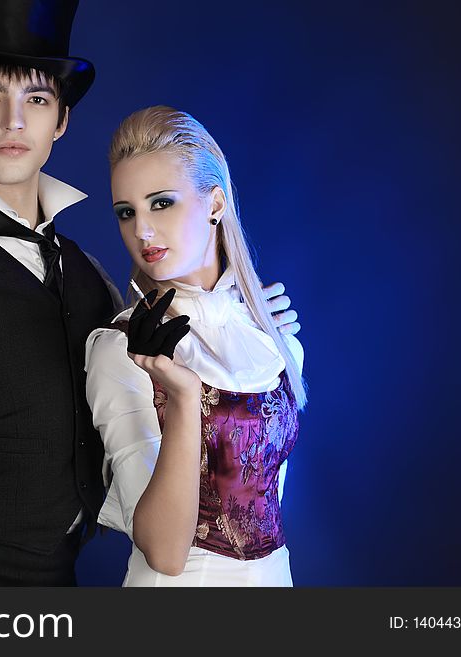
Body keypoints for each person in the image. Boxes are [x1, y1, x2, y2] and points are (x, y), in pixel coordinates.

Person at [0, 1, 301, 586]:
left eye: (37, 100)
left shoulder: (90, 276)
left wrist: (237, 319)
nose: (14, 122)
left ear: (61, 120)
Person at [85, 106, 306, 586]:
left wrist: (258, 321)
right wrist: (184, 397)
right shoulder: (120, 349)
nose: (142, 230)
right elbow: (164, 552)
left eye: (161, 203)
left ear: (215, 204)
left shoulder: (273, 339)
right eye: (127, 212)